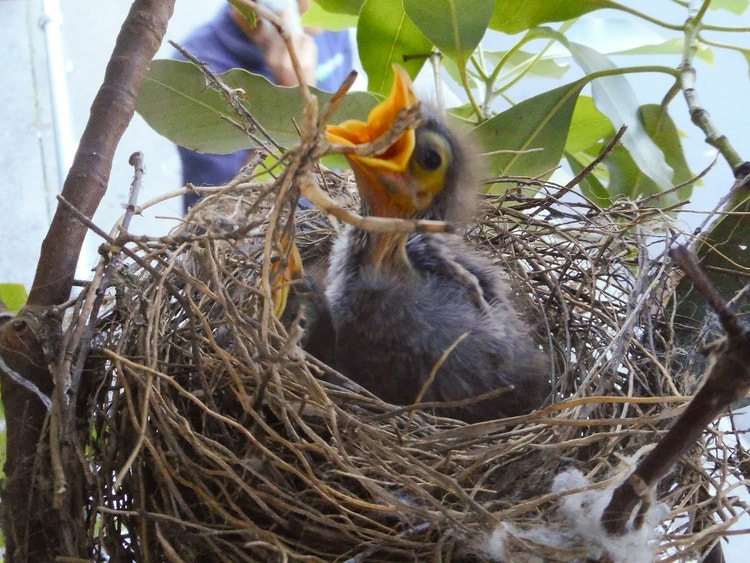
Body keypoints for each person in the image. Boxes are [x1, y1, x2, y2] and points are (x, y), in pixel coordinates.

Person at [175, 1, 354, 212]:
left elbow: (342, 136)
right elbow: (221, 220)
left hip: (330, 222)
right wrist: (293, 102)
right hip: (264, 238)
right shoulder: (199, 70)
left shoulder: (329, 27)